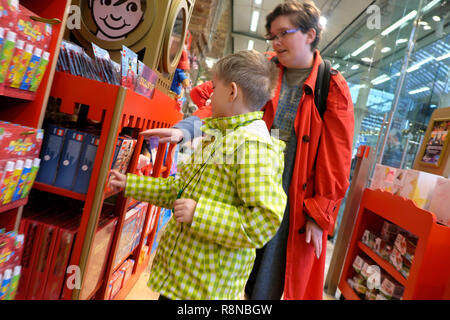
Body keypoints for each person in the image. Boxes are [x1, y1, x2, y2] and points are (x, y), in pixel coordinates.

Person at [142, 0, 355, 300]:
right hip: (237, 189)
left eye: (283, 33)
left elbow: (337, 158)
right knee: (222, 269)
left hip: (291, 203)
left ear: (310, 35)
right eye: (272, 35)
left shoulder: (331, 87)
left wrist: (320, 215)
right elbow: (215, 99)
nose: (275, 41)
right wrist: (185, 129)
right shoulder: (261, 68)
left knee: (264, 284)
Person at [109, 50, 287, 300]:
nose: (210, 96)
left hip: (207, 289)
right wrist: (130, 183)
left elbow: (263, 222)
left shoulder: (253, 146)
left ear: (232, 92)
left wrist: (199, 213)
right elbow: (180, 191)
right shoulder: (219, 134)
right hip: (182, 278)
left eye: (215, 88)